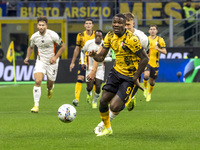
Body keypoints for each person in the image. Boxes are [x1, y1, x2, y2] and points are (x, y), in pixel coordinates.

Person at [88, 13, 149, 136]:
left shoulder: (132, 39)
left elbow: (145, 58)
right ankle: (107, 129)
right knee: (103, 101)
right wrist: (95, 55)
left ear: (124, 25)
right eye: (114, 22)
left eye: (120, 23)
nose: (116, 25)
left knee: (115, 106)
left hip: (130, 76)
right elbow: (101, 57)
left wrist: (136, 76)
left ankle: (103, 125)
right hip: (116, 72)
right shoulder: (110, 36)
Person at [24, 16, 66, 113]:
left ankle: (50, 89)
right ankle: (36, 105)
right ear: (37, 26)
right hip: (40, 61)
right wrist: (27, 57)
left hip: (52, 62)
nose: (41, 27)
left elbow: (63, 46)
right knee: (38, 81)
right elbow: (30, 47)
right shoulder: (34, 37)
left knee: (49, 85)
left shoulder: (53, 35)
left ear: (46, 26)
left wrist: (55, 57)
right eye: (39, 25)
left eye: (43, 25)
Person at [123, 12, 149, 111]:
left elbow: (144, 53)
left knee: (134, 80)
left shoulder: (141, 37)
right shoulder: (119, 34)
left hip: (136, 62)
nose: (126, 27)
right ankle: (129, 97)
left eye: (128, 24)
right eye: (124, 25)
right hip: (122, 61)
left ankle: (132, 97)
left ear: (133, 24)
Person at [81, 30, 112, 109]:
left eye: (99, 36)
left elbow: (111, 58)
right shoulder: (88, 43)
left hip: (100, 68)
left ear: (102, 37)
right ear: (94, 36)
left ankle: (94, 101)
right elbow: (82, 52)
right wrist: (82, 62)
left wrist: (102, 58)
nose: (98, 38)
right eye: (96, 36)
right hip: (90, 67)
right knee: (90, 87)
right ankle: (89, 93)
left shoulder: (105, 45)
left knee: (98, 86)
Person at [69, 18, 95, 107]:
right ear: (84, 25)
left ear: (92, 25)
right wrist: (72, 62)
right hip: (83, 61)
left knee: (93, 81)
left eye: (90, 23)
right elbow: (77, 49)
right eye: (86, 23)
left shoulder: (96, 35)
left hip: (93, 61)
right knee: (80, 78)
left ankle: (91, 96)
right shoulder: (80, 35)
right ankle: (76, 99)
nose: (88, 25)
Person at [143, 25, 167, 102]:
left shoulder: (160, 40)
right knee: (146, 75)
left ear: (156, 31)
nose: (152, 30)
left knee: (152, 81)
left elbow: (165, 52)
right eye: (151, 29)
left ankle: (149, 94)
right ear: (149, 31)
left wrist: (158, 49)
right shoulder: (146, 39)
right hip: (147, 62)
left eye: (154, 29)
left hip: (155, 63)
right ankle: (145, 89)